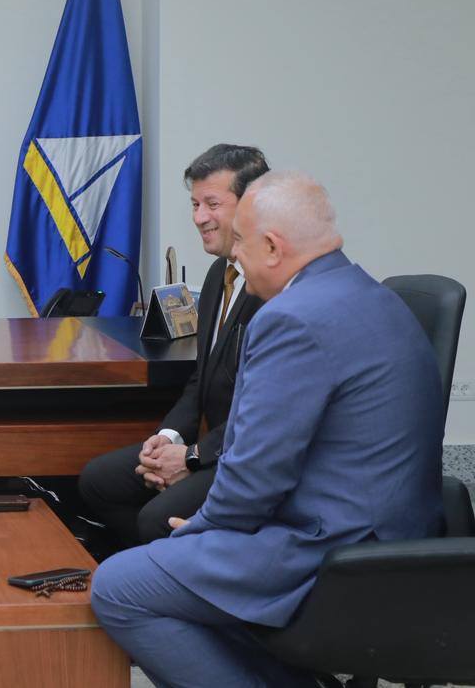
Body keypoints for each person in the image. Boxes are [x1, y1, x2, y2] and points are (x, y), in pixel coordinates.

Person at [90, 171, 447, 687]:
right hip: (393, 532)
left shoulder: (292, 318)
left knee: (118, 586)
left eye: (240, 240)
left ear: (274, 247)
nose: (233, 254)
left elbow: (254, 476)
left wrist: (198, 530)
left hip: (330, 547)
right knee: (174, 572)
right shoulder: (372, 293)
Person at [78, 144, 269, 545]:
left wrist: (192, 458)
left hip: (243, 456)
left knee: (156, 518)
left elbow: (261, 409)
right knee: (98, 481)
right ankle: (153, 565)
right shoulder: (219, 275)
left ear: (252, 205)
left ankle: (175, 567)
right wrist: (166, 439)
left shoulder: (270, 286)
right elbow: (201, 380)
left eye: (212, 204)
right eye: (195, 205)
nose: (199, 218)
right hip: (205, 446)